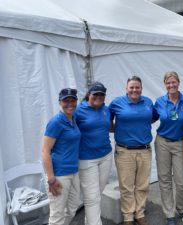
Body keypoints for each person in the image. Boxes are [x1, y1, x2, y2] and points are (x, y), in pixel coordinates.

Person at [109, 76, 154, 225]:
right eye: (131, 87)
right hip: (124, 151)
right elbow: (106, 121)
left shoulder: (148, 102)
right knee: (126, 186)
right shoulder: (116, 103)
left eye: (137, 87)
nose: (135, 90)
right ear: (126, 88)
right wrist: (121, 130)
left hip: (145, 150)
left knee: (142, 185)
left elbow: (151, 118)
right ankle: (128, 216)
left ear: (141, 88)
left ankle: (139, 214)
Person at [153, 71, 183, 225]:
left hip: (179, 143)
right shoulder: (159, 101)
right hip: (162, 142)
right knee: (164, 179)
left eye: (173, 82)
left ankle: (182, 209)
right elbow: (150, 118)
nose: (171, 85)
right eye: (168, 83)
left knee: (182, 181)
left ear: (178, 83)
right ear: (165, 84)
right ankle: (169, 213)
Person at [41, 88, 81, 225]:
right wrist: (51, 179)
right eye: (66, 101)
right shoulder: (56, 122)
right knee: (57, 215)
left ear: (76, 101)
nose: (70, 103)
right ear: (60, 103)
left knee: (72, 208)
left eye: (72, 100)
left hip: (74, 171)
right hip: (59, 174)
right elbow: (45, 151)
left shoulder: (73, 119)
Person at [75, 82, 113, 225]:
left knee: (98, 193)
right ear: (88, 94)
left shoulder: (106, 109)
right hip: (86, 159)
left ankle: (89, 221)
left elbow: (110, 127)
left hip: (106, 156)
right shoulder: (78, 111)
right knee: (92, 197)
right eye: (95, 94)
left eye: (101, 94)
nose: (98, 97)